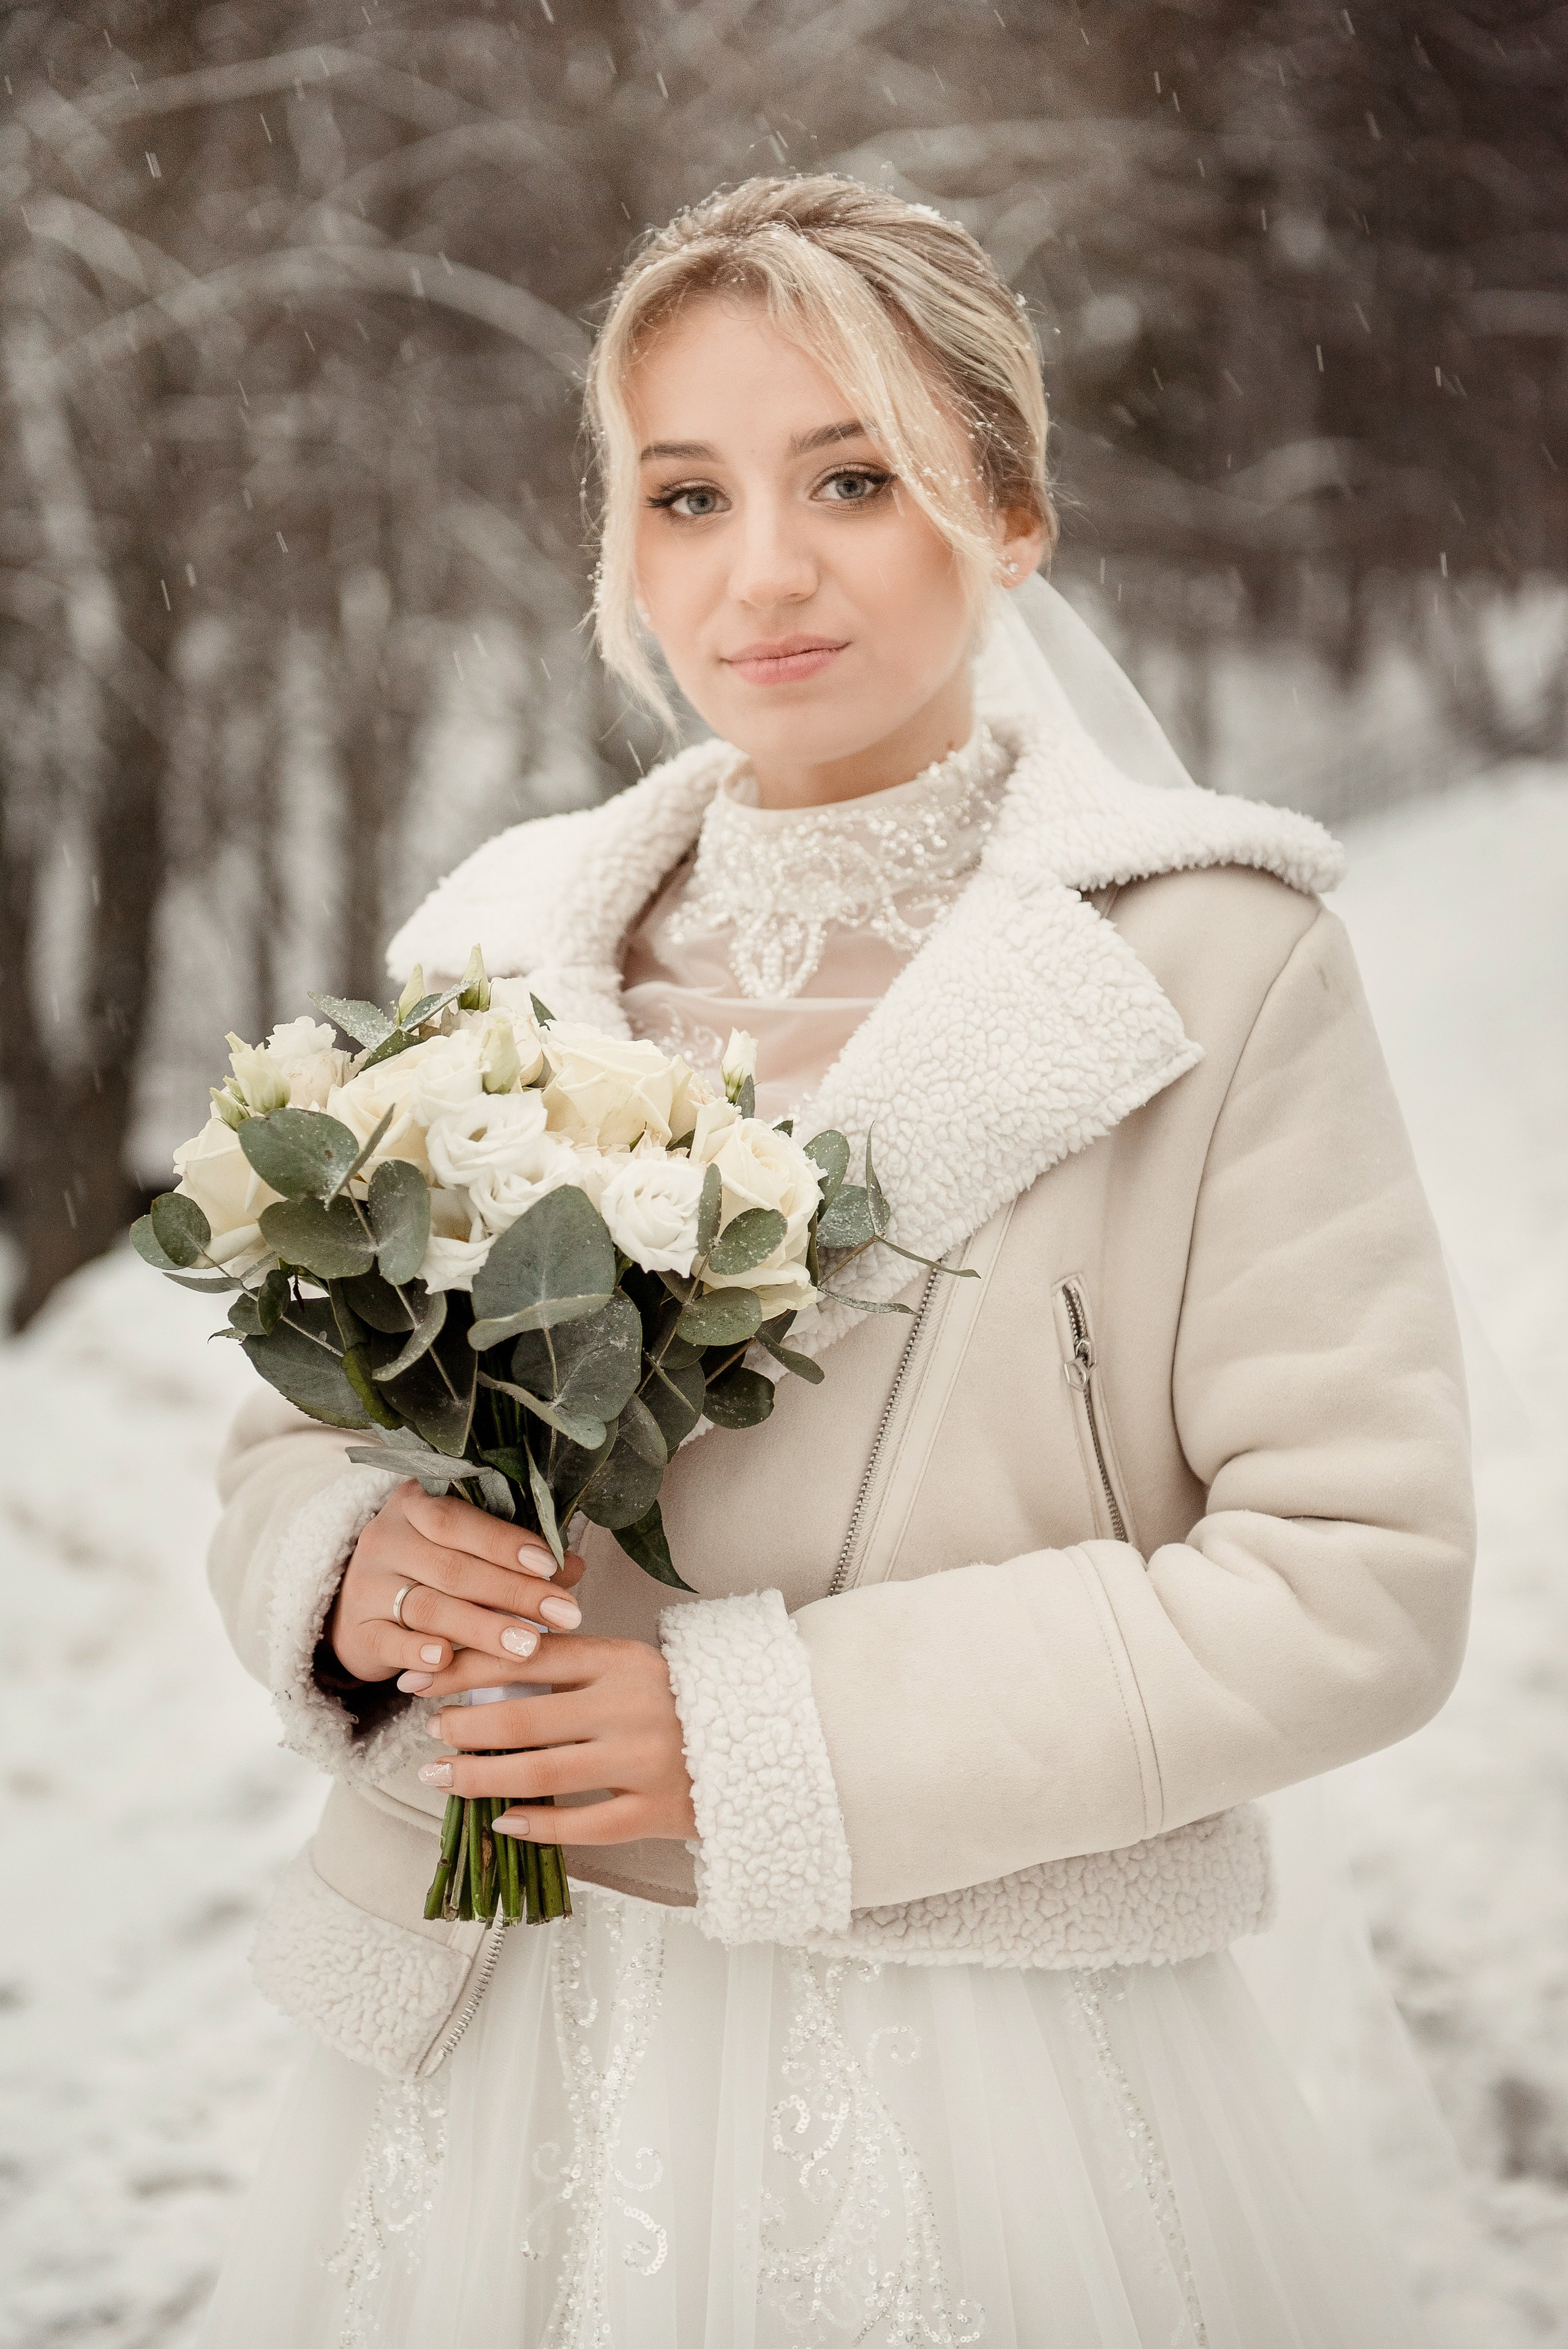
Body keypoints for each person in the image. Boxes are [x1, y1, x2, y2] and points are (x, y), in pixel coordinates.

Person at [197, 176, 1475, 2348]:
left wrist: (771, 1741)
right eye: (686, 494)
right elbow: (285, 1440)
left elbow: (1357, 1578)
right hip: (510, 2028)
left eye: (854, 478)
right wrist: (338, 1567)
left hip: (986, 2049)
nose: (761, 571)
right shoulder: (497, 948)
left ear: (1012, 505)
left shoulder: (1215, 965)